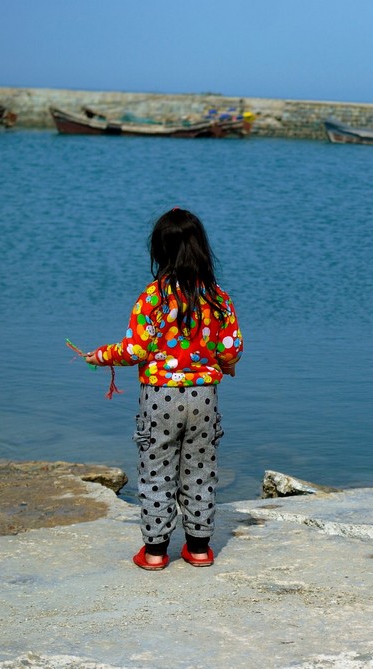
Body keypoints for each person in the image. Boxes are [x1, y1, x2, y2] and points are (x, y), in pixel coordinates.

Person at [84, 208, 243, 571]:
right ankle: (199, 548)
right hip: (204, 397)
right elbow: (230, 349)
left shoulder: (153, 298)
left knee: (157, 471)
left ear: (159, 251)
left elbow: (135, 349)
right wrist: (226, 365)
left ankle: (155, 552)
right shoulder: (217, 298)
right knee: (200, 470)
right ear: (202, 249)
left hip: (160, 397)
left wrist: (101, 355)